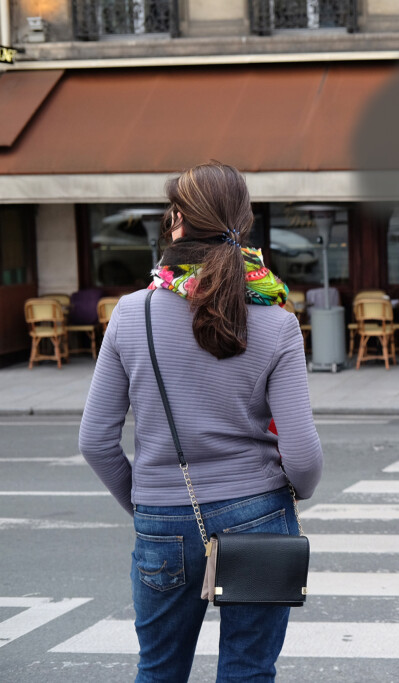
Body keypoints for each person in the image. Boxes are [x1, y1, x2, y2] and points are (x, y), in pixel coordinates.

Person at [79, 162, 323, 682]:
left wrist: (148, 500)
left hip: (163, 519)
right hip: (258, 515)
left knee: (160, 671)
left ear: (178, 223)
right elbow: (302, 457)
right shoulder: (278, 322)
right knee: (249, 670)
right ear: (244, 225)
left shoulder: (130, 313)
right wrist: (290, 493)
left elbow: (96, 441)